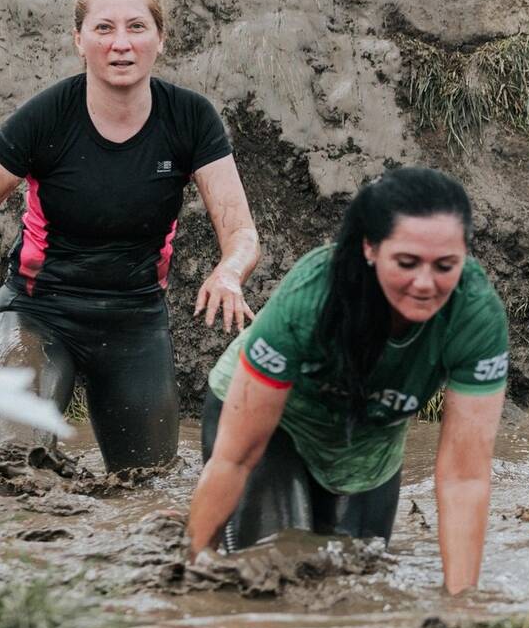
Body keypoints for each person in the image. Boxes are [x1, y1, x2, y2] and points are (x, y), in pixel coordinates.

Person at [0, 0, 259, 470]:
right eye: (104, 29)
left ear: (161, 39)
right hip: (39, 313)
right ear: (79, 40)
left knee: (146, 485)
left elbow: (240, 231)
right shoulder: (46, 118)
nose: (120, 44)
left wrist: (230, 271)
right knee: (16, 466)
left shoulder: (191, 118)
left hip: (136, 320)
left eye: (137, 27)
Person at [185, 167, 509, 596]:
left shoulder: (476, 316)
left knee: (355, 586)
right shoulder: (313, 294)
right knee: (274, 575)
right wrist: (194, 566)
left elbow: (464, 476)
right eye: (407, 263)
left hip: (367, 442)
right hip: (277, 425)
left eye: (445, 266)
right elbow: (236, 457)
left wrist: (462, 603)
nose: (425, 284)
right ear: (371, 249)